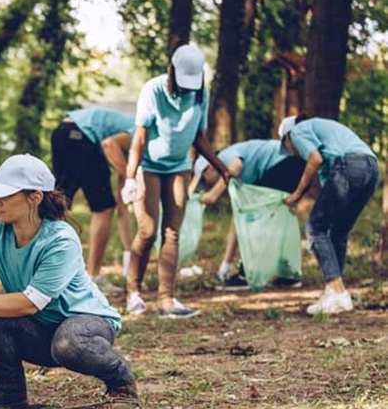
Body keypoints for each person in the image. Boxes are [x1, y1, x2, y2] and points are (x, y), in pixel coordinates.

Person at [0, 154, 138, 409]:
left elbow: (30, 303)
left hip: (86, 323)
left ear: (35, 197)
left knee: (69, 342)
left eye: (6, 194)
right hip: (41, 331)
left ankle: (121, 383)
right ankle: (9, 394)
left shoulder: (60, 240)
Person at [119, 44, 231, 317]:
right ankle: (133, 292)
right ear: (172, 70)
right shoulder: (153, 90)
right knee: (147, 230)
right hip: (149, 166)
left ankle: (166, 299)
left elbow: (199, 136)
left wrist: (222, 168)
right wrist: (130, 178)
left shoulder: (200, 93)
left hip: (179, 167)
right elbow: (140, 138)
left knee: (172, 232)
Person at [278, 115, 379, 315]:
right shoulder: (326, 139)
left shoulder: (298, 130)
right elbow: (329, 187)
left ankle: (339, 292)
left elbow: (314, 159)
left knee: (315, 229)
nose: (294, 152)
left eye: (289, 148)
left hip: (351, 164)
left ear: (287, 137)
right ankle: (332, 293)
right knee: (338, 231)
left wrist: (296, 195)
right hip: (371, 168)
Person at [190, 139, 306, 290]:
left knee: (258, 220)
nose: (208, 184)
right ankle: (288, 274)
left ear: (210, 168)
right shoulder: (240, 175)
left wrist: (214, 193)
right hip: (295, 163)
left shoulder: (224, 157)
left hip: (285, 161)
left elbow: (237, 165)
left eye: (206, 180)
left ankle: (248, 275)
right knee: (273, 218)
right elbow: (238, 219)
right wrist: (225, 264)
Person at [50, 107, 134, 295]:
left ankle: (53, 274)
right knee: (62, 207)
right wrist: (133, 179)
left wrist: (129, 250)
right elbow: (109, 145)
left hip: (64, 133)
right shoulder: (141, 134)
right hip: (79, 136)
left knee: (57, 205)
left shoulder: (128, 150)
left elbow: (122, 204)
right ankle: (87, 277)